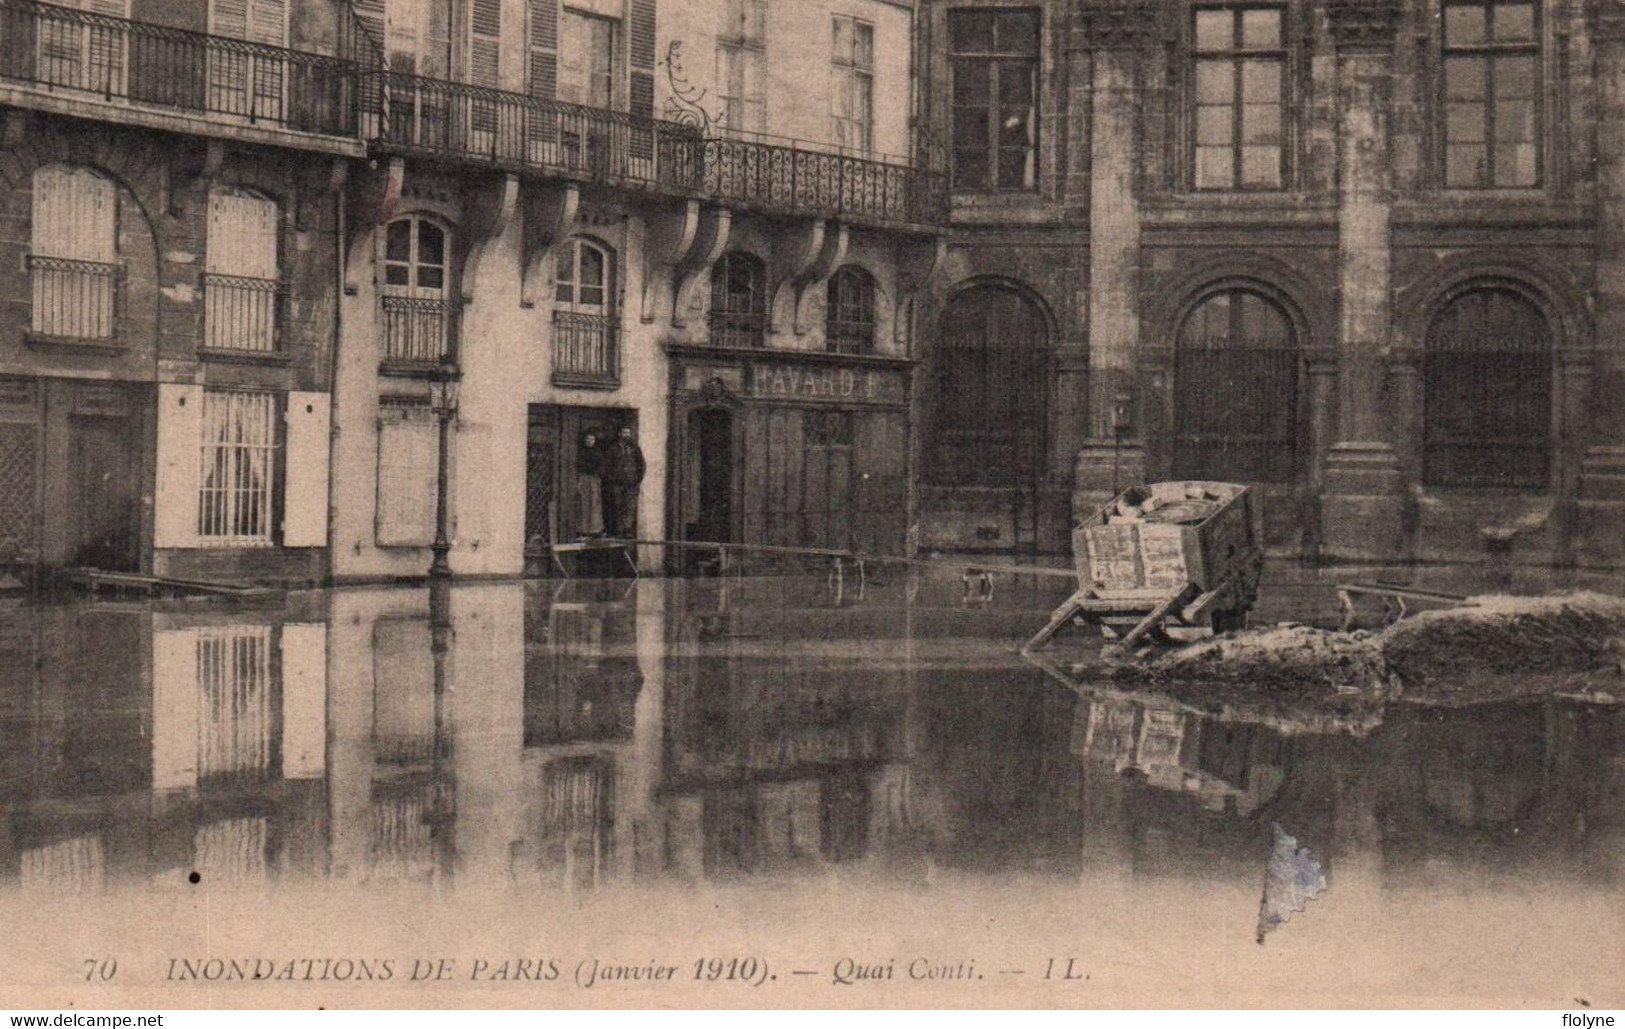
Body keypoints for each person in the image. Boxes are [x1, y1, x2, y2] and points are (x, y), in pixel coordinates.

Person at [599, 425, 646, 540]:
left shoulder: (635, 449)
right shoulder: (612, 449)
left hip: (631, 485)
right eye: (624, 432)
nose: (627, 435)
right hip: (616, 484)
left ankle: (627, 531)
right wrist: (611, 479)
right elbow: (604, 467)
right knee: (616, 507)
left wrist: (637, 479)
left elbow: (642, 465)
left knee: (629, 507)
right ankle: (617, 532)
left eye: (628, 433)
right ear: (619, 434)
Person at [574, 431, 604, 538]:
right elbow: (579, 464)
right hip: (583, 479)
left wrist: (594, 469)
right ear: (584, 440)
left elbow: (601, 466)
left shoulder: (598, 452)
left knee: (594, 504)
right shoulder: (580, 452)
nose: (590, 441)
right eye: (588, 439)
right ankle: (582, 529)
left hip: (594, 480)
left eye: (592, 439)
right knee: (583, 504)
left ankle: (594, 530)